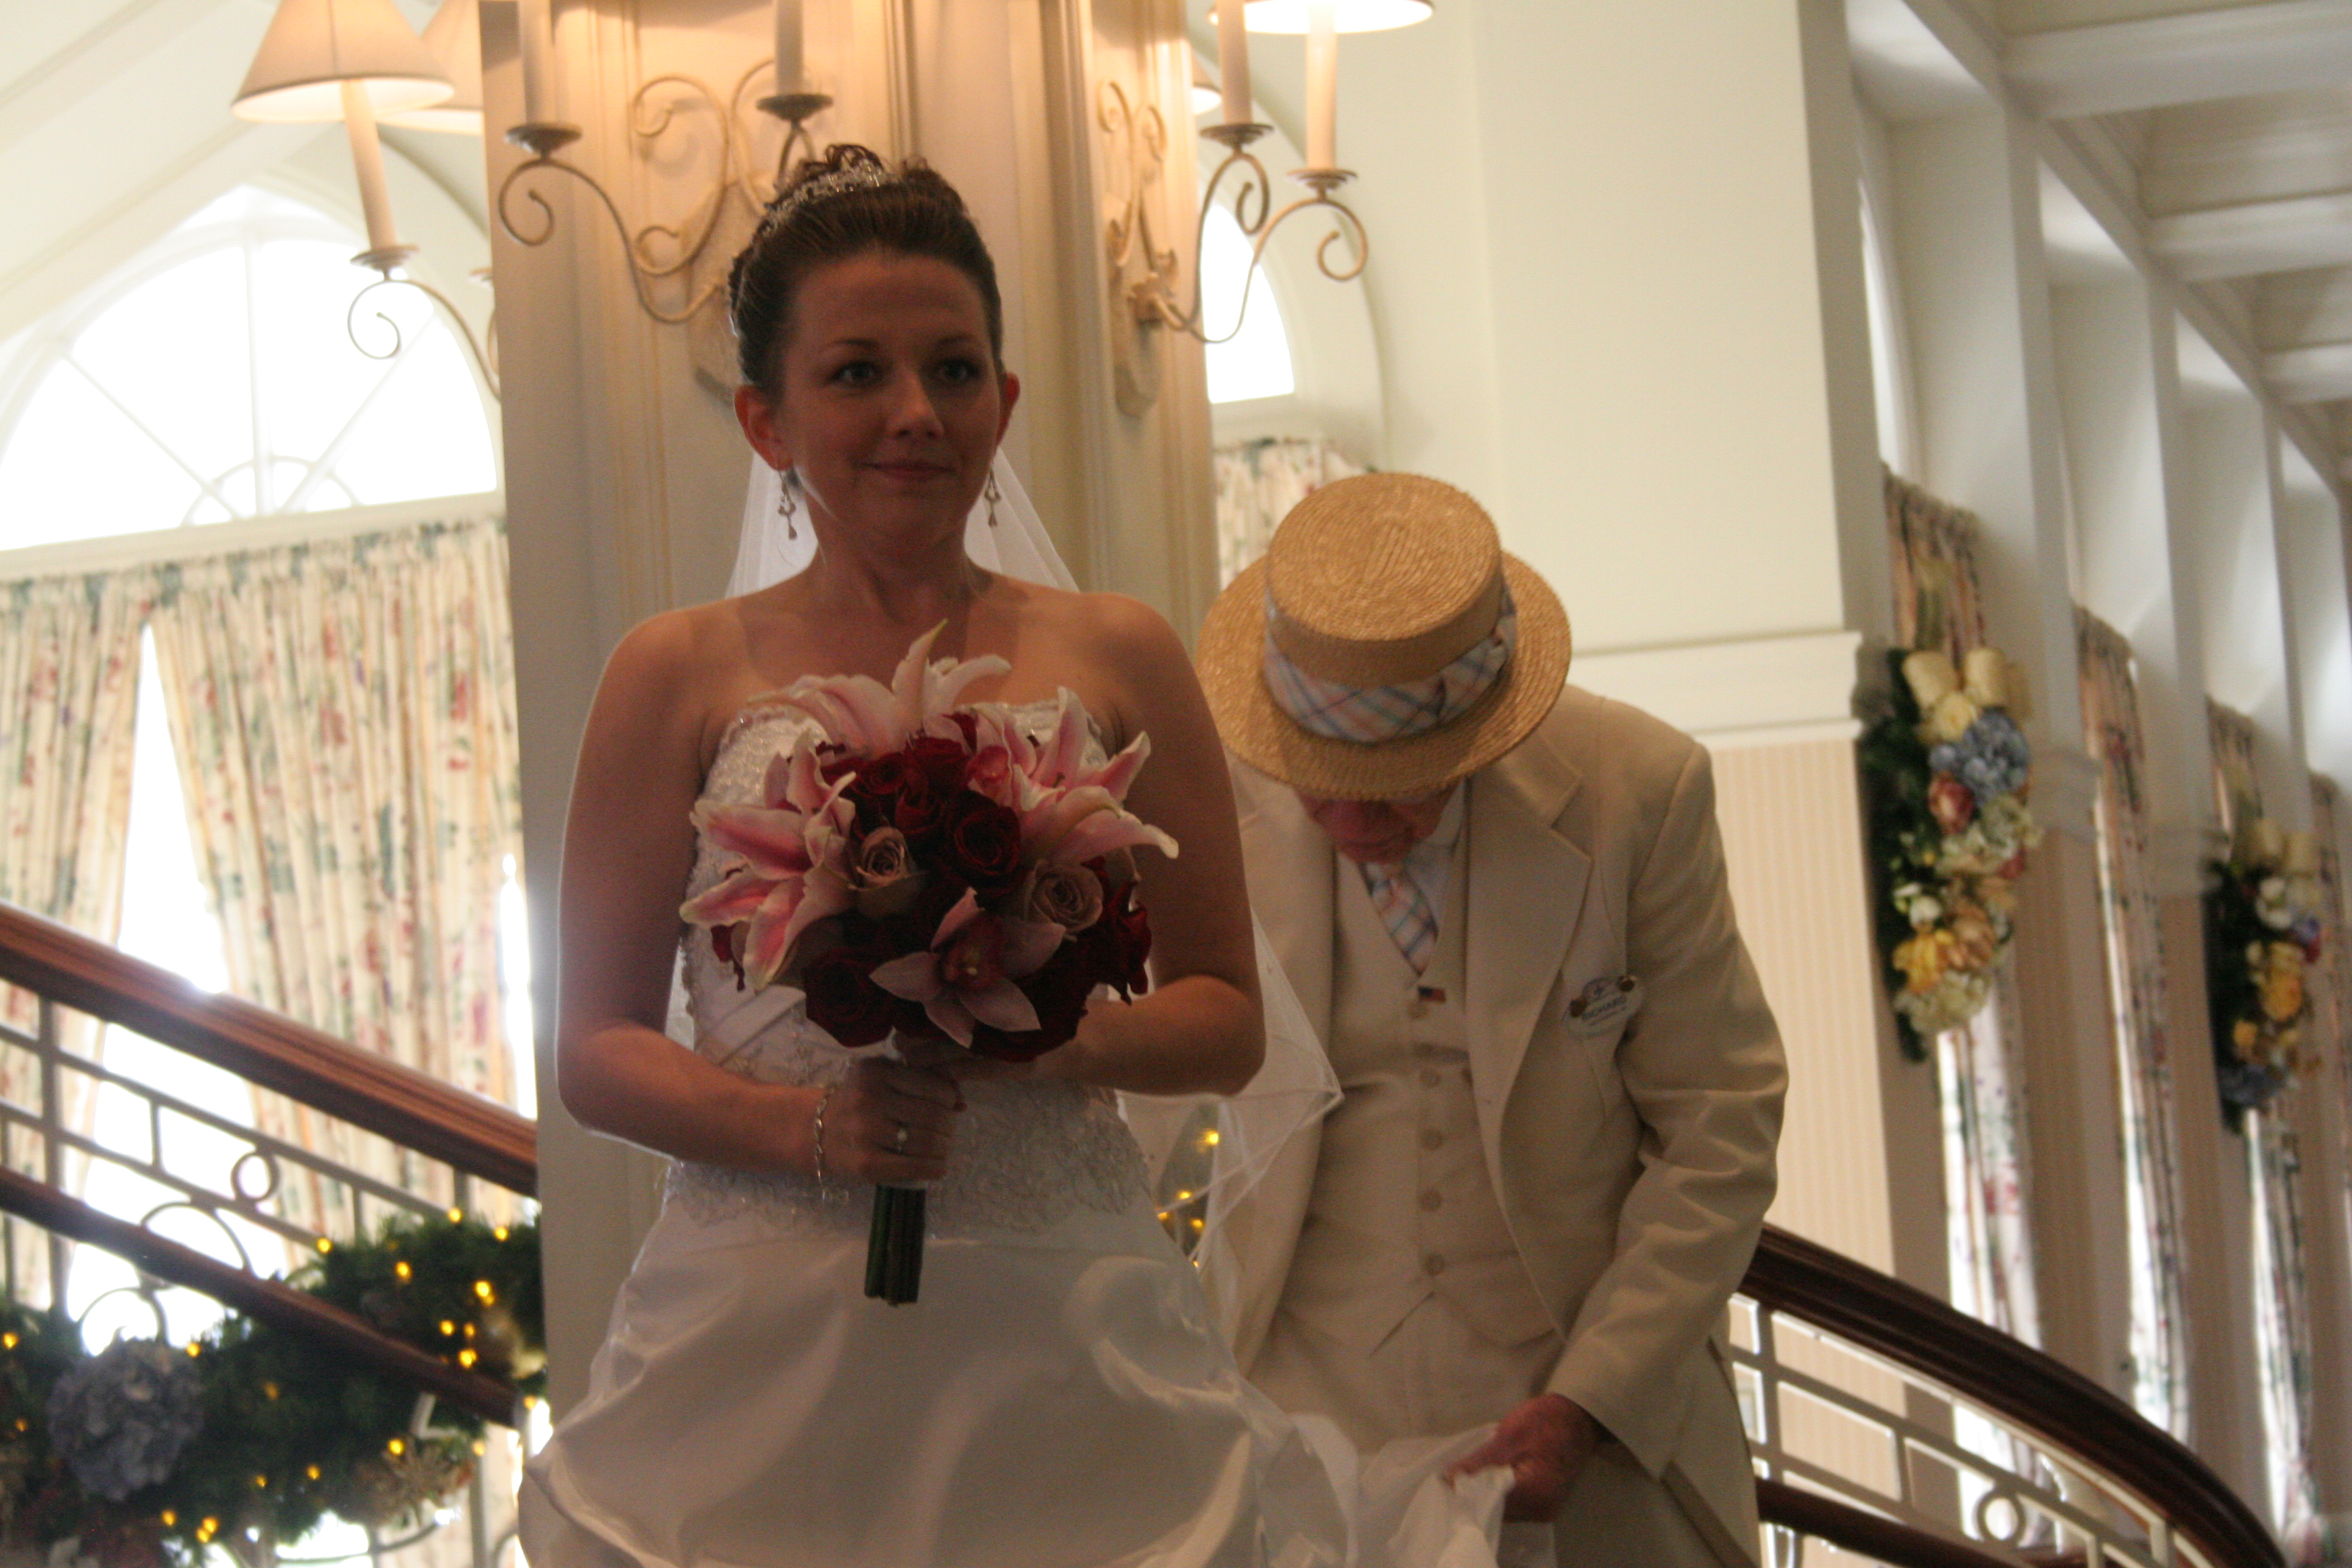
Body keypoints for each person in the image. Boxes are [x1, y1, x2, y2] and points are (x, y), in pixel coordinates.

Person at [517, 145, 1354, 1568]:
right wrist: (810, 1133)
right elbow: (595, 1050)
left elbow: (1227, 1016)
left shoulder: (1120, 651)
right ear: (766, 421)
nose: (916, 411)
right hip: (765, 1321)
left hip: (1062, 1324)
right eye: (858, 373)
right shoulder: (674, 673)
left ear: (1005, 403)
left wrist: (1050, 1036)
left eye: (955, 370)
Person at [1193, 473, 1787, 1568]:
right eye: (1319, 780)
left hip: (1582, 1395)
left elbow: (1721, 1123)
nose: (1350, 820)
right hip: (1299, 1408)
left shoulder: (1637, 791)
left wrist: (1593, 1396)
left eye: (1392, 786)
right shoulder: (1206, 805)